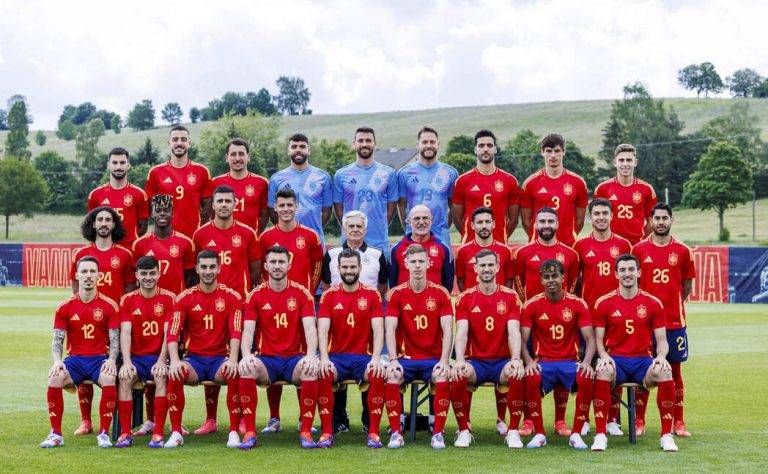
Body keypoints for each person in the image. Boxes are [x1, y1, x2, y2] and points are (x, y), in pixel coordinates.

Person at [591, 254, 679, 452]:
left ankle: (666, 436)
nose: (627, 273)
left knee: (665, 372)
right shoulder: (604, 302)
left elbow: (662, 341)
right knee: (603, 370)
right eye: (622, 270)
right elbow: (598, 341)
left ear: (639, 272)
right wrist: (603, 356)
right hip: (617, 362)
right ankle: (601, 435)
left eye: (631, 269)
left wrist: (661, 357)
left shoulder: (653, 303)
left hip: (642, 362)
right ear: (616, 274)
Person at [237, 246, 320, 449]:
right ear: (265, 266)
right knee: (247, 368)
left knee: (310, 369)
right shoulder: (255, 295)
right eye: (272, 262)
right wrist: (246, 355)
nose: (277, 266)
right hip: (267, 360)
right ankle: (250, 432)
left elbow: (310, 329)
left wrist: (311, 355)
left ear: (289, 265)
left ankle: (306, 431)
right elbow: (247, 331)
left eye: (281, 262)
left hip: (294, 358)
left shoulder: (302, 294)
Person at [163, 250, 244, 449]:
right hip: (194, 361)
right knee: (175, 373)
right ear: (197, 269)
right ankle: (176, 432)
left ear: (219, 269)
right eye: (204, 267)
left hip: (220, 360)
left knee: (234, 372)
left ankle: (234, 431)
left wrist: (233, 360)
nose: (208, 271)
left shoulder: (232, 297)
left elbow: (236, 331)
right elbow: (173, 333)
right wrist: (175, 361)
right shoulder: (184, 298)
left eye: (212, 267)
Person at [39, 257, 119, 449]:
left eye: (92, 271)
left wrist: (112, 359)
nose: (88, 276)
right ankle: (56, 434)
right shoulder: (65, 307)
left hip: (100, 359)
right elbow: (57, 339)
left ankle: (103, 433)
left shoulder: (109, 305)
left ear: (99, 275)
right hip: (74, 360)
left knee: (109, 378)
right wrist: (57, 361)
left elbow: (115, 339)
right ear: (77, 275)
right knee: (55, 378)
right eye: (84, 272)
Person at [631, 203, 696, 437]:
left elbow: (686, 287)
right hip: (643, 323)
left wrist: (671, 306)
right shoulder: (638, 250)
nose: (660, 222)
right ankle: (639, 420)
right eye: (656, 218)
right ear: (650, 221)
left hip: (674, 323)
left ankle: (679, 421)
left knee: (674, 372)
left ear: (671, 220)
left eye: (664, 218)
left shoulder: (683, 251)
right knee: (643, 370)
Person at [450, 249, 526, 448]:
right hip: (476, 362)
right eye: (482, 265)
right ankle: (464, 430)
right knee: (458, 374)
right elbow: (461, 332)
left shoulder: (510, 296)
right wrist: (459, 361)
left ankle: (513, 431)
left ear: (497, 267)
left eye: (490, 265)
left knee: (516, 373)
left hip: (502, 362)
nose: (486, 269)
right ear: (475, 268)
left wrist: (516, 359)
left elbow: (514, 331)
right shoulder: (465, 297)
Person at [69, 207, 134, 435]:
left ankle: (114, 421)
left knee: (113, 369)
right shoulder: (81, 254)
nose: (104, 223)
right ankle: (86, 421)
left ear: (114, 225)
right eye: (100, 220)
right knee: (82, 364)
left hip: (115, 321)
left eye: (108, 219)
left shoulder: (124, 255)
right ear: (93, 224)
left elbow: (130, 288)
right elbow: (75, 287)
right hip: (88, 320)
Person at [383, 244, 454, 450]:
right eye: (413, 261)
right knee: (392, 375)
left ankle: (438, 433)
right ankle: (396, 432)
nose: (417, 265)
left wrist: (444, 361)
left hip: (433, 359)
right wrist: (393, 360)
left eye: (421, 261)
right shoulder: (396, 294)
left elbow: (448, 330)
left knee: (442, 375)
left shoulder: (441, 293)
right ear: (406, 264)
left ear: (428, 263)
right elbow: (390, 329)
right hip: (405, 359)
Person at [520, 259, 596, 450]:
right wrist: (529, 361)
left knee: (587, 376)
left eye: (555, 276)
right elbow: (521, 339)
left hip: (570, 362)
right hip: (544, 362)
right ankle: (539, 433)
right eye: (546, 277)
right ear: (541, 280)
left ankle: (576, 433)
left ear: (563, 277)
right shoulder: (531, 305)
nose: (551, 280)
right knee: (530, 376)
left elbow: (590, 339)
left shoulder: (577, 304)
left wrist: (587, 362)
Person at [317, 248, 387, 448]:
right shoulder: (329, 296)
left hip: (363, 358)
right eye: (345, 267)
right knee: (323, 373)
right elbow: (322, 331)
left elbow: (379, 331)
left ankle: (373, 432)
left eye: (353, 267)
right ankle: (327, 432)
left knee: (376, 374)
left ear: (360, 267)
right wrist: (324, 359)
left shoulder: (372, 295)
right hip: (336, 358)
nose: (349, 271)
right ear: (338, 268)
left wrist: (376, 359)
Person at [573, 198, 631, 434]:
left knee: (613, 364)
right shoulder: (580, 245)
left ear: (611, 216)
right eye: (596, 213)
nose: (600, 217)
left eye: (605, 213)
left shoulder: (623, 244)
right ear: (590, 217)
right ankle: (584, 419)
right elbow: (575, 283)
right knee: (587, 367)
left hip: (616, 317)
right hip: (587, 318)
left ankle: (612, 419)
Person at [114, 256, 175, 448]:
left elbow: (169, 334)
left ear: (159, 274)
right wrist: (126, 362)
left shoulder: (169, 298)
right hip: (136, 359)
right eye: (144, 274)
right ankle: (125, 433)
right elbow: (125, 333)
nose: (148, 277)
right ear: (137, 276)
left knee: (161, 377)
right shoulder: (127, 300)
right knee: (125, 378)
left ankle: (158, 434)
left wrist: (162, 360)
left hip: (158, 357)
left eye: (152, 273)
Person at [333, 127, 398, 255]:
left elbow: (391, 210)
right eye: (360, 140)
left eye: (368, 140)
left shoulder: (388, 173)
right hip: (350, 243)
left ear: (375, 144)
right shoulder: (341, 175)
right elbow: (339, 211)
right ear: (354, 144)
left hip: (379, 242)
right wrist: (351, 228)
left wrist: (379, 224)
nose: (364, 144)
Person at [193, 185, 261, 298]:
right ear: (213, 205)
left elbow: (256, 271)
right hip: (210, 299)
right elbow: (196, 271)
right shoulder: (200, 234)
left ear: (235, 204)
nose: (224, 204)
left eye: (228, 201)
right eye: (220, 201)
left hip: (240, 299)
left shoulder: (248, 233)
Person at [452, 130, 519, 243]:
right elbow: (457, 219)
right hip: (470, 245)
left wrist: (500, 237)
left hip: (499, 244)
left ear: (495, 149)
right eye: (481, 145)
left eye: (489, 145)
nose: (486, 149)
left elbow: (513, 220)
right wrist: (470, 236)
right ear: (475, 149)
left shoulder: (510, 181)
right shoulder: (462, 181)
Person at [520, 133, 588, 247]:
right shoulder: (530, 183)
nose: (553, 155)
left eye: (557, 151)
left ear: (563, 152)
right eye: (549, 151)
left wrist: (567, 238)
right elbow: (526, 221)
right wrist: (541, 238)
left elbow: (580, 221)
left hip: (568, 245)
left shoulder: (578, 182)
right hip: (538, 246)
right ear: (542, 152)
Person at [145, 125, 212, 239]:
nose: (179, 143)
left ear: (189, 143)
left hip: (194, 236)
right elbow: (151, 208)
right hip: (166, 237)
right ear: (169, 143)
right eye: (175, 139)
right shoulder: (156, 172)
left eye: (183, 140)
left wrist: (201, 230)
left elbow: (208, 207)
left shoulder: (202, 171)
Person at [397, 126, 458, 246]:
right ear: (418, 144)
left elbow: (453, 206)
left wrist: (444, 226)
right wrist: (410, 228)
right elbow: (401, 206)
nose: (428, 145)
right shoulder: (405, 173)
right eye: (424, 142)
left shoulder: (450, 172)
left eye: (432, 142)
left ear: (438, 144)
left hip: (441, 239)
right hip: (414, 239)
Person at [268, 133, 334, 244]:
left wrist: (312, 231)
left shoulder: (323, 177)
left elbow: (327, 212)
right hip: (286, 241)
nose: (298, 150)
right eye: (294, 147)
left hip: (314, 241)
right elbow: (272, 212)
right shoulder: (276, 178)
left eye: (302, 147)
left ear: (309, 150)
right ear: (288, 151)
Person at [259, 188, 323, 293]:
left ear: (296, 206)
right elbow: (261, 270)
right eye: (281, 205)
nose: (286, 209)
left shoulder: (311, 236)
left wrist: (309, 293)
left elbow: (318, 269)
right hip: (274, 297)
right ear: (275, 207)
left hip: (302, 298)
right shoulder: (265, 237)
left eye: (289, 205)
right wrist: (269, 293)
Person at [593, 144, 658, 245]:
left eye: (629, 160)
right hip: (611, 246)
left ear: (635, 162)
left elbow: (652, 222)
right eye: (621, 160)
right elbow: (596, 219)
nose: (625, 164)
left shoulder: (646, 189)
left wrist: (642, 239)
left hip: (636, 245)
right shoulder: (602, 189)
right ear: (615, 162)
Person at [132, 194, 196, 295]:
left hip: (176, 300)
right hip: (150, 300)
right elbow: (136, 278)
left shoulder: (186, 243)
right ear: (152, 214)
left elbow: (189, 278)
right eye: (158, 211)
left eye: (166, 210)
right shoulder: (139, 244)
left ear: (172, 213)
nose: (162, 214)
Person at [87, 147, 149, 248]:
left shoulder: (139, 194)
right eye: (114, 163)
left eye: (122, 163)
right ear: (108, 165)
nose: (118, 167)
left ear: (128, 165)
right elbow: (92, 226)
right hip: (106, 250)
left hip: (130, 251)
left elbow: (143, 227)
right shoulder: (95, 195)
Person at [208, 138, 269, 234]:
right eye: (233, 154)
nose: (237, 158)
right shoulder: (215, 183)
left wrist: (254, 235)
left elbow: (265, 216)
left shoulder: (262, 183)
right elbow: (209, 215)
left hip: (249, 240)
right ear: (227, 158)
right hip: (221, 239)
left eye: (241, 154)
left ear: (248, 157)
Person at [321, 210, 388, 297]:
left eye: (359, 226)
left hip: (367, 304)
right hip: (338, 304)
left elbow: (383, 285)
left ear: (365, 230)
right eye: (351, 226)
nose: (355, 229)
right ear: (345, 230)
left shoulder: (377, 254)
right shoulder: (331, 253)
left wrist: (371, 300)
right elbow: (325, 284)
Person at [390, 205, 453, 291]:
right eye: (417, 219)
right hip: (405, 299)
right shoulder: (396, 249)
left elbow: (448, 286)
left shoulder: (444, 248)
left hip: (433, 299)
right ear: (409, 221)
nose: (421, 222)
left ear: (431, 220)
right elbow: (393, 284)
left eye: (425, 218)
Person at [455, 206, 514, 292]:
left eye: (487, 222)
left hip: (498, 300)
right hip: (473, 300)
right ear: (472, 225)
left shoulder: (505, 251)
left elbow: (509, 281)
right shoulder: (462, 251)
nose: (484, 226)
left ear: (493, 224)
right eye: (479, 222)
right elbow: (460, 281)